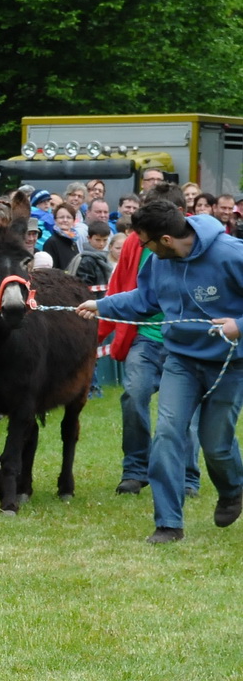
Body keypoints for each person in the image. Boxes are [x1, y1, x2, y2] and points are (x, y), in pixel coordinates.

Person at [79, 198, 243, 542]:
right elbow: (144, 300)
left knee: (216, 445)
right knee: (168, 433)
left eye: (145, 242)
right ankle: (169, 523)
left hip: (230, 363)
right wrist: (102, 305)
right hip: (180, 360)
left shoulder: (230, 253)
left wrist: (238, 325)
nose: (142, 249)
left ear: (165, 239)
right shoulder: (158, 262)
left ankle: (233, 488)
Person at [72, 220, 112, 287]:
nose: (101, 244)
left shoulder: (104, 256)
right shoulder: (87, 260)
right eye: (98, 240)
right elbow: (85, 284)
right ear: (89, 238)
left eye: (105, 240)